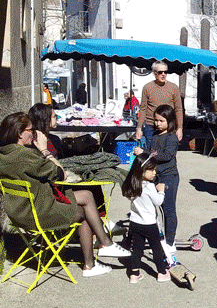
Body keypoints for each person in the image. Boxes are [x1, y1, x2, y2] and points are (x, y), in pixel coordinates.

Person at [0, 112, 131, 277]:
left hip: (19, 214)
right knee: (85, 211)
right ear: (20, 133)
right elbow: (60, 174)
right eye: (31, 130)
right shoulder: (26, 156)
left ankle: (105, 243)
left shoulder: (3, 154)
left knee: (86, 196)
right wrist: (43, 149)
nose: (34, 134)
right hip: (39, 213)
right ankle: (92, 262)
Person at [133, 104, 180, 254]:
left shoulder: (172, 137)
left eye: (161, 121)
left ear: (170, 121)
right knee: (156, 207)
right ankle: (158, 238)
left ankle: (170, 242)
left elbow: (166, 156)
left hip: (169, 176)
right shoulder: (154, 135)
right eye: (156, 120)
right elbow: (152, 154)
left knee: (168, 209)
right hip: (155, 176)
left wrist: (145, 152)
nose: (157, 124)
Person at [121, 151, 170, 284]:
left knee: (137, 248)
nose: (154, 172)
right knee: (156, 248)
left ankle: (134, 274)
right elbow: (158, 202)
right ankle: (162, 272)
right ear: (142, 170)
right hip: (149, 224)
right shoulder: (149, 186)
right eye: (151, 170)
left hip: (135, 222)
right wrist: (161, 191)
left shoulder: (132, 184)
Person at [135, 61, 184, 146]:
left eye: (165, 72)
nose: (163, 74)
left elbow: (178, 109)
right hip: (151, 126)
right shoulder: (147, 87)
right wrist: (139, 128)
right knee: (152, 154)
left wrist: (179, 128)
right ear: (154, 73)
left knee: (167, 153)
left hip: (168, 126)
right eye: (160, 72)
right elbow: (143, 109)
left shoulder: (173, 88)